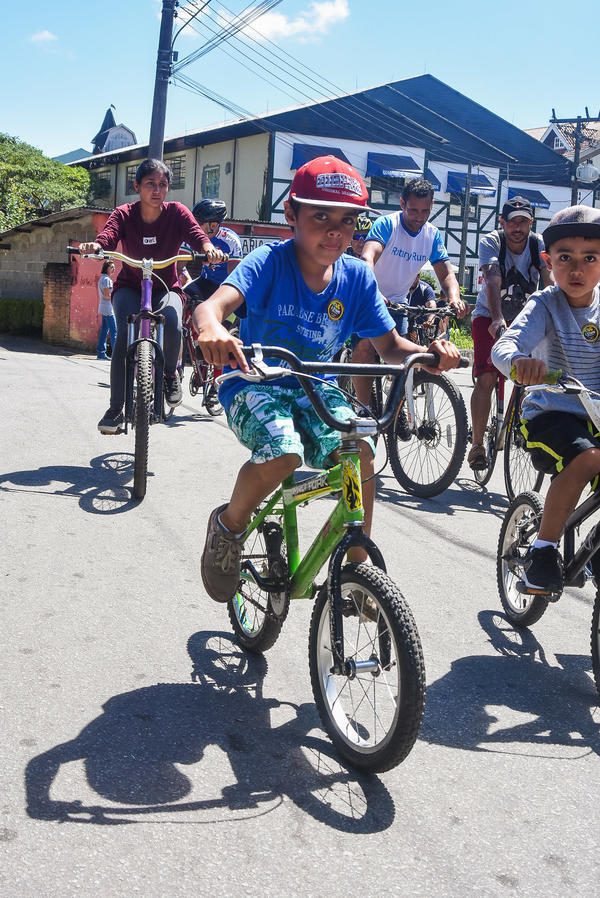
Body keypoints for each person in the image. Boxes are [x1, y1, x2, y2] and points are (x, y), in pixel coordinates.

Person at [193, 155, 462, 603]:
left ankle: (358, 569)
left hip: (317, 388)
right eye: (321, 216)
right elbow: (211, 306)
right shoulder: (269, 261)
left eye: (347, 220)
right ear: (291, 214)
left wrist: (428, 356)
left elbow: (390, 346)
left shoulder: (357, 277)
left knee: (361, 454)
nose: (336, 231)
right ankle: (229, 526)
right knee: (284, 452)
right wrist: (212, 328)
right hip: (255, 383)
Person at [492, 205, 600, 594]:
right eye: (565, 258)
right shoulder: (545, 304)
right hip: (549, 413)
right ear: (548, 261)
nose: (577, 269)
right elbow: (504, 348)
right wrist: (520, 363)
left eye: (590, 258)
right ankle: (542, 551)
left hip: (595, 415)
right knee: (589, 457)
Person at [78, 158, 223, 434]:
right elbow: (108, 235)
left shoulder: (176, 212)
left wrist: (207, 247)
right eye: (150, 184)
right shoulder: (124, 214)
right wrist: (96, 246)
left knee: (173, 323)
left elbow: (196, 234)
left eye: (163, 184)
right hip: (130, 287)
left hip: (166, 288)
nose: (157, 190)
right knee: (123, 337)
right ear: (137, 186)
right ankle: (115, 409)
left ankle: (169, 375)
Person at [352, 177, 468, 407]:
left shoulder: (432, 235)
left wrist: (454, 298)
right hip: (370, 298)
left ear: (432, 206)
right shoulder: (387, 224)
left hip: (398, 303)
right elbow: (367, 258)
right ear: (402, 204)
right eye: (413, 210)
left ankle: (396, 412)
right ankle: (363, 410)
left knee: (406, 360)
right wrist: (373, 291)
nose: (419, 217)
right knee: (365, 347)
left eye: (425, 211)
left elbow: (446, 273)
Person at [469, 196, 554, 470]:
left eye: (523, 222)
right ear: (502, 222)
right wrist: (497, 318)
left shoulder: (538, 244)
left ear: (531, 223)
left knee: (531, 377)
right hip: (489, 315)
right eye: (512, 222)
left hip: (526, 318)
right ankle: (477, 445)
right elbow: (493, 281)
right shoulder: (492, 242)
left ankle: (521, 424)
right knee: (487, 377)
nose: (518, 228)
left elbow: (549, 283)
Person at [178, 198, 242, 301]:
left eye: (197, 223)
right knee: (182, 298)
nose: (193, 226)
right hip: (205, 281)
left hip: (226, 286)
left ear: (213, 225)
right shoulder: (190, 236)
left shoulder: (231, 241)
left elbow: (234, 279)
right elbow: (178, 267)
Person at [96, 260, 116, 360]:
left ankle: (101, 353)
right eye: (111, 267)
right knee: (114, 331)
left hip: (104, 307)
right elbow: (107, 295)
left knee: (104, 331)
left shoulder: (102, 278)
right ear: (106, 268)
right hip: (108, 309)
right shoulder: (107, 280)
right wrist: (116, 296)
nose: (114, 269)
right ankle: (116, 355)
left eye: (114, 267)